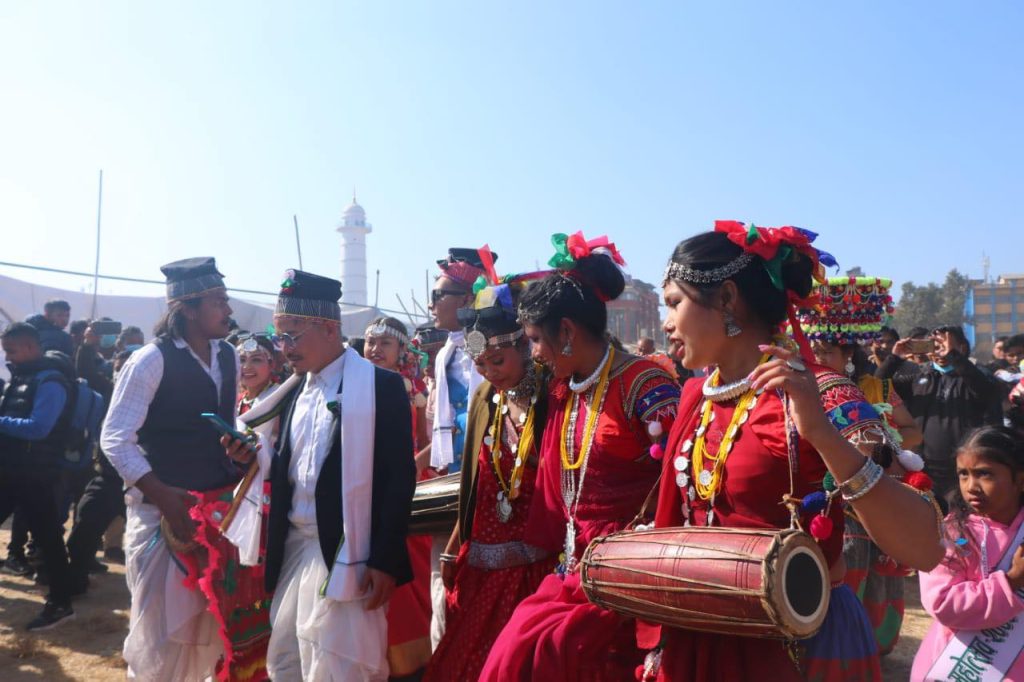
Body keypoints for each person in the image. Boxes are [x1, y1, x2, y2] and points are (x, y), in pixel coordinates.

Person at [480, 232, 680, 681]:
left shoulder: (645, 385)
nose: (533, 353)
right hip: (576, 568)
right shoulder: (565, 388)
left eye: (536, 339)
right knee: (515, 654)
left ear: (567, 332)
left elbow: (680, 485)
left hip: (629, 572)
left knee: (542, 651)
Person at [236, 269, 415, 681]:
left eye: (292, 336)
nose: (285, 348)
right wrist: (247, 455)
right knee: (287, 662)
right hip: (294, 547)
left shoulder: (380, 386)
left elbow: (398, 479)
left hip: (346, 549)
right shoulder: (293, 391)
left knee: (339, 668)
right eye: (280, 337)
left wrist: (385, 559)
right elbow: (289, 467)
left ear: (330, 329)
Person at [101, 257, 262, 681]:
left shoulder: (228, 354)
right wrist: (163, 496)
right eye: (218, 302)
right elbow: (115, 438)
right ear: (188, 309)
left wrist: (238, 447)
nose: (228, 310)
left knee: (213, 635)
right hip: (161, 518)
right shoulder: (150, 361)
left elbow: (225, 422)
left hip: (216, 515)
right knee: (160, 643)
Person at [425, 271, 557, 681]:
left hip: (539, 566)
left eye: (497, 361)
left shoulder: (555, 395)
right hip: (481, 561)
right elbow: (475, 484)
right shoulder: (486, 397)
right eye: (480, 364)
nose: (490, 373)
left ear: (525, 345)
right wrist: (453, 546)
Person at [798, 275, 925, 655]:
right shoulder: (801, 388)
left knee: (870, 576)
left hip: (867, 495)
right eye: (812, 350)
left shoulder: (876, 389)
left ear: (847, 356)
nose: (818, 358)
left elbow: (912, 433)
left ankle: (864, 648)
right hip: (823, 497)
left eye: (825, 352)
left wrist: (882, 444)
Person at [912, 426, 1024, 680]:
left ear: (1020, 479)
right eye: (964, 474)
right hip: (960, 666)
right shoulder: (953, 534)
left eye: (984, 474)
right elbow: (942, 602)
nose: (971, 486)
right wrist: (1011, 582)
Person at [426, 247, 491, 647]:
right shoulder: (447, 351)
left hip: (487, 483)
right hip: (452, 481)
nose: (431, 304)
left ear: (468, 299)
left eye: (440, 295)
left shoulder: (484, 346)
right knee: (441, 589)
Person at [364, 315, 434, 678]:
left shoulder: (412, 391)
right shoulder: (352, 384)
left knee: (405, 582)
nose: (375, 349)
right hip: (361, 490)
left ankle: (406, 663)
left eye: (385, 343)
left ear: (402, 350)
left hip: (401, 490)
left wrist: (407, 470)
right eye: (371, 342)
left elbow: (426, 444)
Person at [0, 323, 77, 630]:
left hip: (36, 475)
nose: (7, 356)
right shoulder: (22, 376)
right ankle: (61, 600)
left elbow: (39, 427)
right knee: (48, 538)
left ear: (31, 347)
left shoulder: (51, 382)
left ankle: (61, 603)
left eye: (11, 350)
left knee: (48, 539)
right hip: (12, 470)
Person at [879, 325, 1001, 500]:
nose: (940, 351)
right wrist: (895, 358)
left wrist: (954, 357)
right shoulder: (919, 376)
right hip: (924, 467)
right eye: (935, 346)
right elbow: (877, 386)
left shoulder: (976, 375)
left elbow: (987, 392)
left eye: (946, 346)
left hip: (963, 468)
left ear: (961, 348)